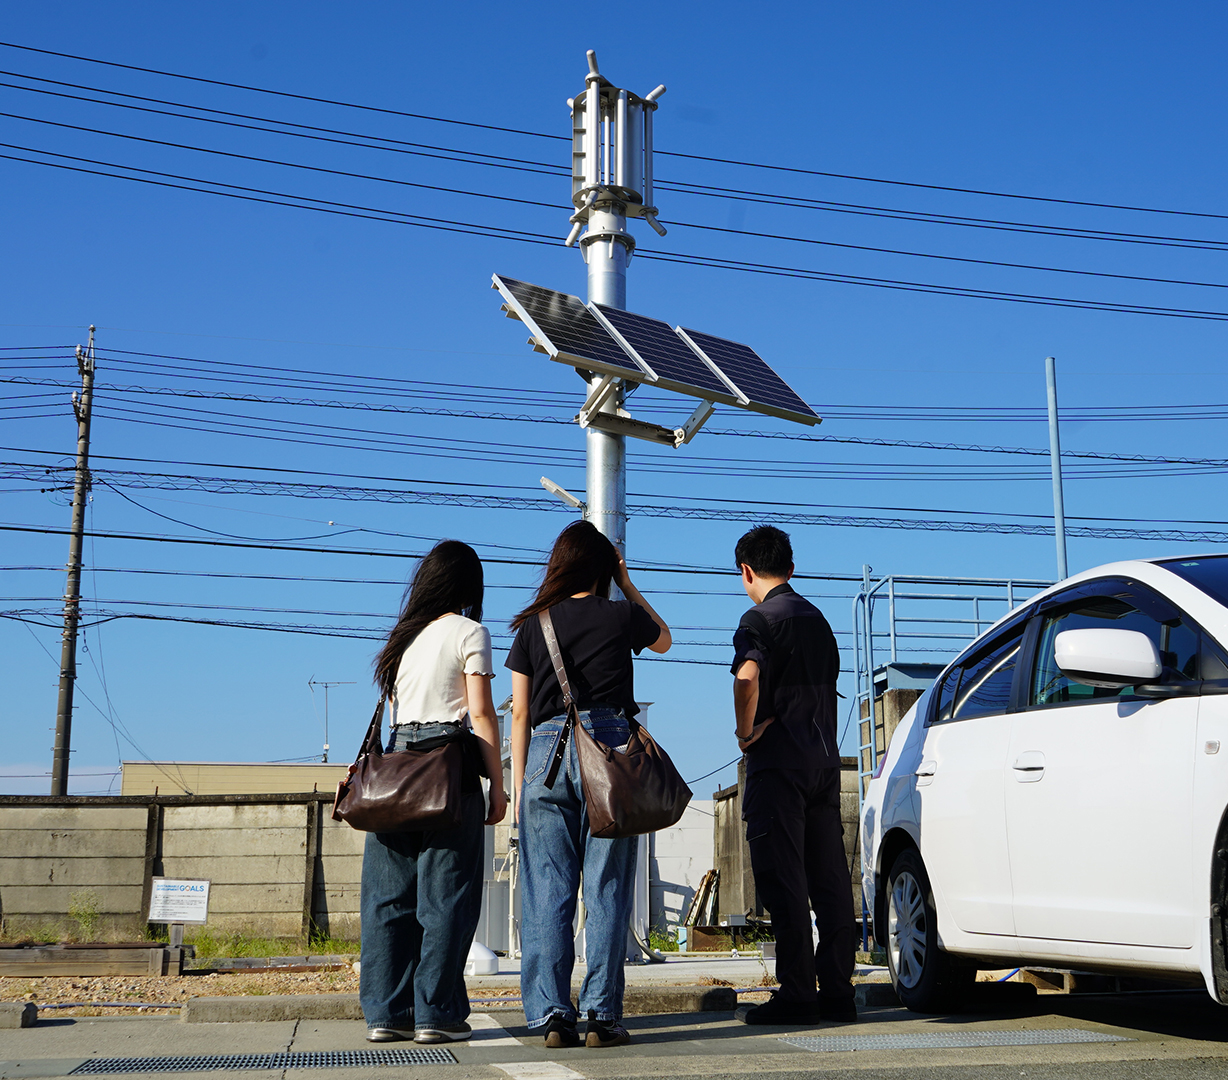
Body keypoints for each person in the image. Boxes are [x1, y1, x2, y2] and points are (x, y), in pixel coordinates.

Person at [507, 521, 671, 1049]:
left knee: (546, 893)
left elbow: (519, 715)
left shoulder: (534, 625)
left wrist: (516, 790)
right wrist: (625, 582)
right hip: (610, 752)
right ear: (603, 568)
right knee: (607, 889)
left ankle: (554, 1016)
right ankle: (601, 1016)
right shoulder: (620, 615)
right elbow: (664, 639)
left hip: (544, 754)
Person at [358, 540, 508, 1044]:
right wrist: (498, 786)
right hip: (447, 765)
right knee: (445, 898)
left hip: (396, 769)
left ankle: (385, 1013)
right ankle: (435, 1016)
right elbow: (482, 714)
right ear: (470, 586)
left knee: (387, 899)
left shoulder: (402, 638)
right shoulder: (471, 632)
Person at [729, 525, 857, 1025]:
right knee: (828, 881)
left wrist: (745, 732)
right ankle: (839, 992)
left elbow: (747, 678)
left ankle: (799, 994)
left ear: (746, 571)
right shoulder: (819, 620)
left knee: (784, 881)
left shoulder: (758, 619)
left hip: (778, 767)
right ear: (791, 567)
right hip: (824, 765)